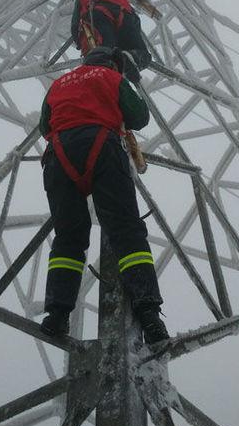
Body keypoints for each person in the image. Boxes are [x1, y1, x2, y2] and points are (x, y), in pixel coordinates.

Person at [39, 46, 169, 345]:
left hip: (59, 155)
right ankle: (148, 312)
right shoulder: (112, 77)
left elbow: (45, 126)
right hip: (101, 147)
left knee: (68, 238)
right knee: (126, 231)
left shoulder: (61, 82)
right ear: (112, 63)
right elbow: (139, 117)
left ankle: (57, 315)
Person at [70, 0, 151, 82]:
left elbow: (75, 24)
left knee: (104, 55)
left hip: (100, 17)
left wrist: (79, 42)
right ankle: (130, 58)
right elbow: (135, 20)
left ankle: (111, 66)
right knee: (144, 55)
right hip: (126, 20)